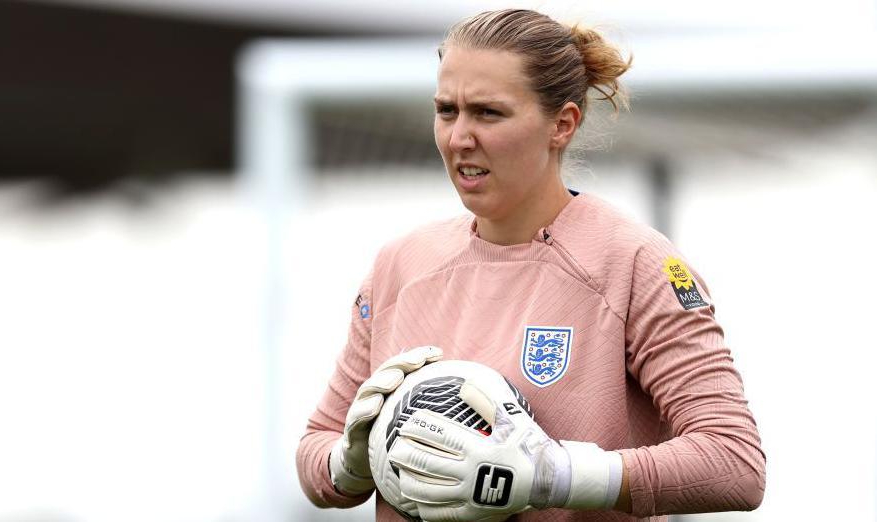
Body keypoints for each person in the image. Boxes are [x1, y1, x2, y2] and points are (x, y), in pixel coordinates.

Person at [296, 8, 765, 521]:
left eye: (488, 113)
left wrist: (553, 475)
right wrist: (350, 463)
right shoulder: (400, 265)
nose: (459, 138)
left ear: (562, 124)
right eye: (447, 110)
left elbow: (734, 462)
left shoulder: (636, 263)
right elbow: (315, 448)